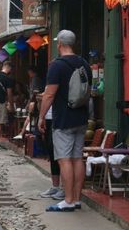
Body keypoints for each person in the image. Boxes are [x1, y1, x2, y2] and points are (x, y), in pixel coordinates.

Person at [38, 30, 91, 212]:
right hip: (81, 118)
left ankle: (67, 200)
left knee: (64, 159)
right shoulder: (84, 63)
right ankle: (76, 199)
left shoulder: (57, 66)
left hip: (64, 119)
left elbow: (50, 94)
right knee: (77, 158)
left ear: (59, 44)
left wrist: (41, 116)